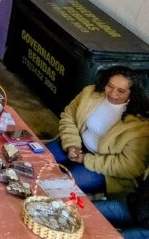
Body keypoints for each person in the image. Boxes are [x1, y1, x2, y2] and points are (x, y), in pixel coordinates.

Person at [50, 66, 149, 194]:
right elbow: (69, 116)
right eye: (110, 86)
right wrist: (72, 144)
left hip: (104, 169)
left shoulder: (141, 125)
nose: (113, 94)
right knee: (34, 160)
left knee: (58, 187)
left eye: (121, 91)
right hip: (77, 146)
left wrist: (86, 159)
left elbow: (129, 166)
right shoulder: (90, 93)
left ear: (132, 93)